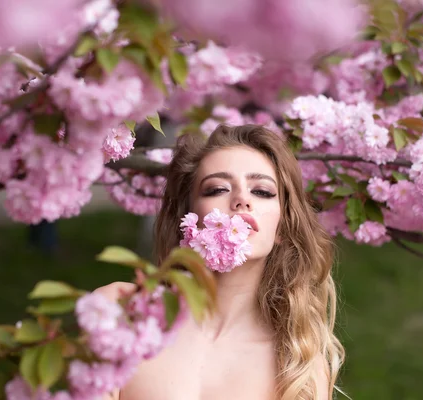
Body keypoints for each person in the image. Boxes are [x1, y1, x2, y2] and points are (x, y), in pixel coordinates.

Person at [98, 124, 344, 400]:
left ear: (283, 227)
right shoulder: (119, 311)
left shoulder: (299, 368)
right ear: (187, 218)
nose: (241, 200)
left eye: (262, 191)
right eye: (217, 189)